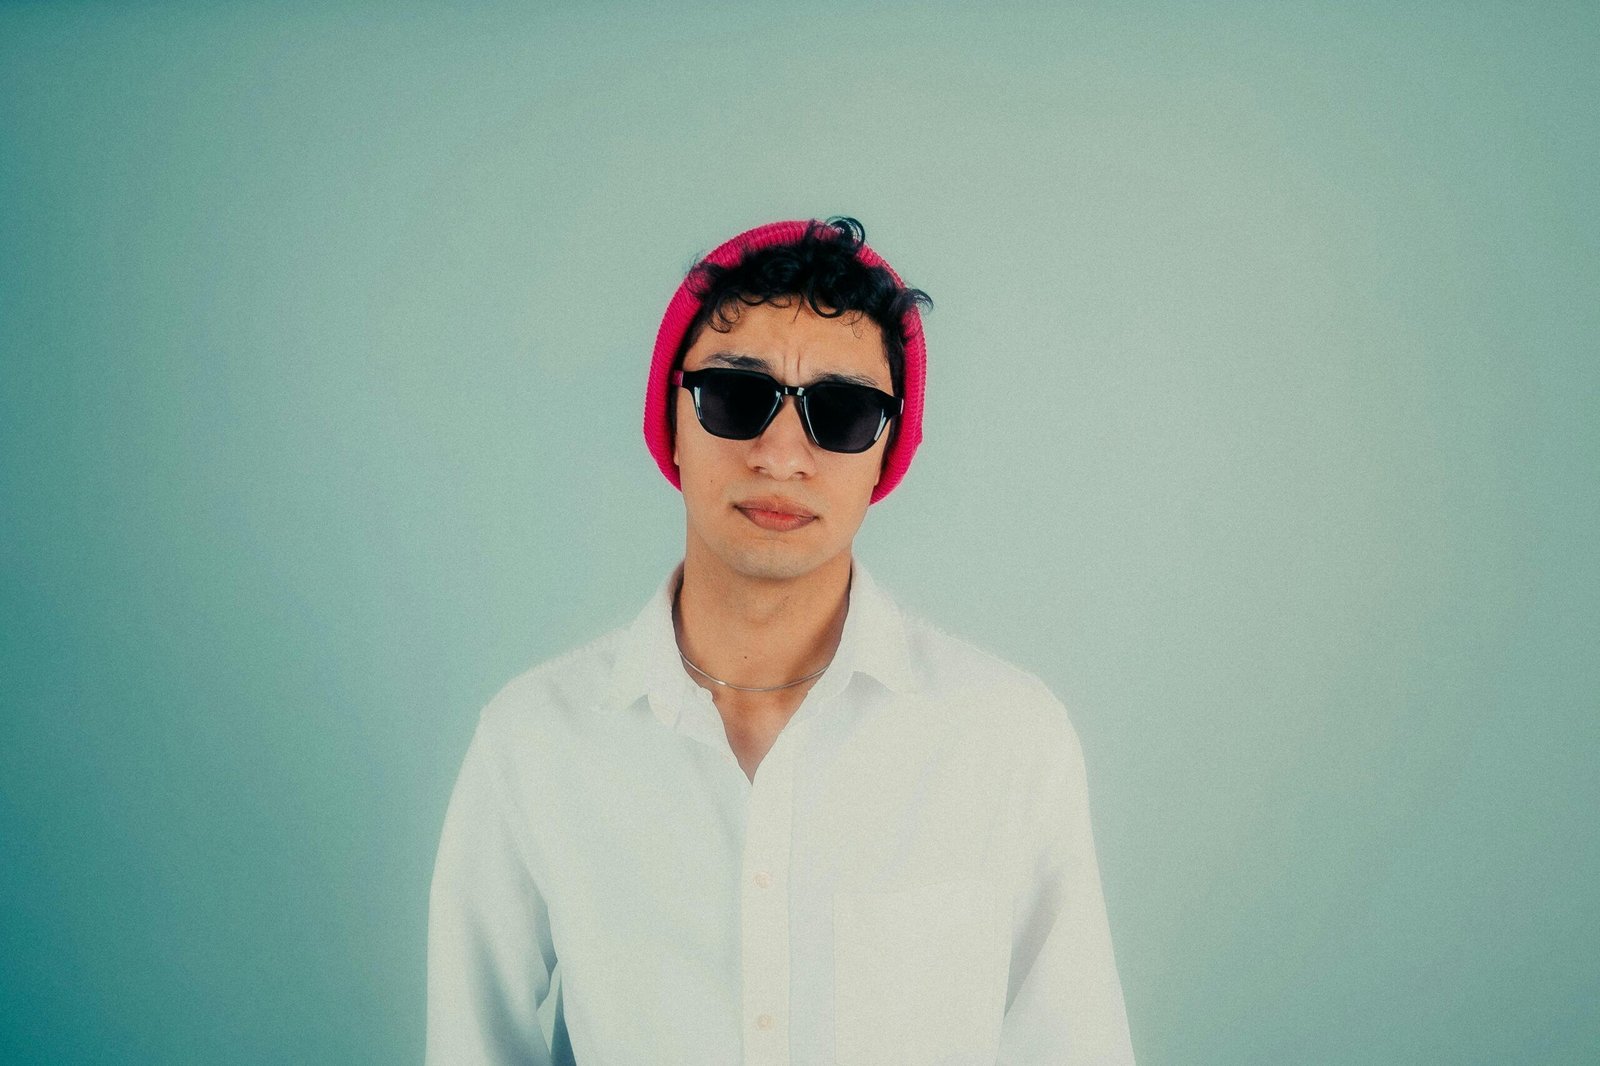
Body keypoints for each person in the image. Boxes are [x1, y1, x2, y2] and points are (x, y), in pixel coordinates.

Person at [426, 218, 1136, 1065]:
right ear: (672, 423)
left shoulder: (1008, 739)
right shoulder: (534, 740)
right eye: (736, 398)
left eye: (842, 412)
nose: (783, 454)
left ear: (885, 454)